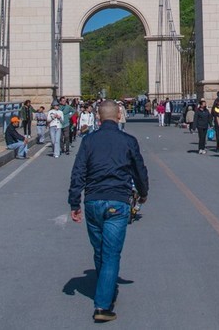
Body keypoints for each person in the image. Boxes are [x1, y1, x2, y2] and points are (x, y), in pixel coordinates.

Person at [69, 100, 150, 324]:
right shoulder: (128, 141)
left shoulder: (88, 141)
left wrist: (74, 203)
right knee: (111, 254)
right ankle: (103, 305)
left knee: (100, 250)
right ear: (119, 114)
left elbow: (78, 173)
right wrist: (143, 193)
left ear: (98, 117)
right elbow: (139, 170)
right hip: (118, 202)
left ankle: (106, 283)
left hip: (93, 202)